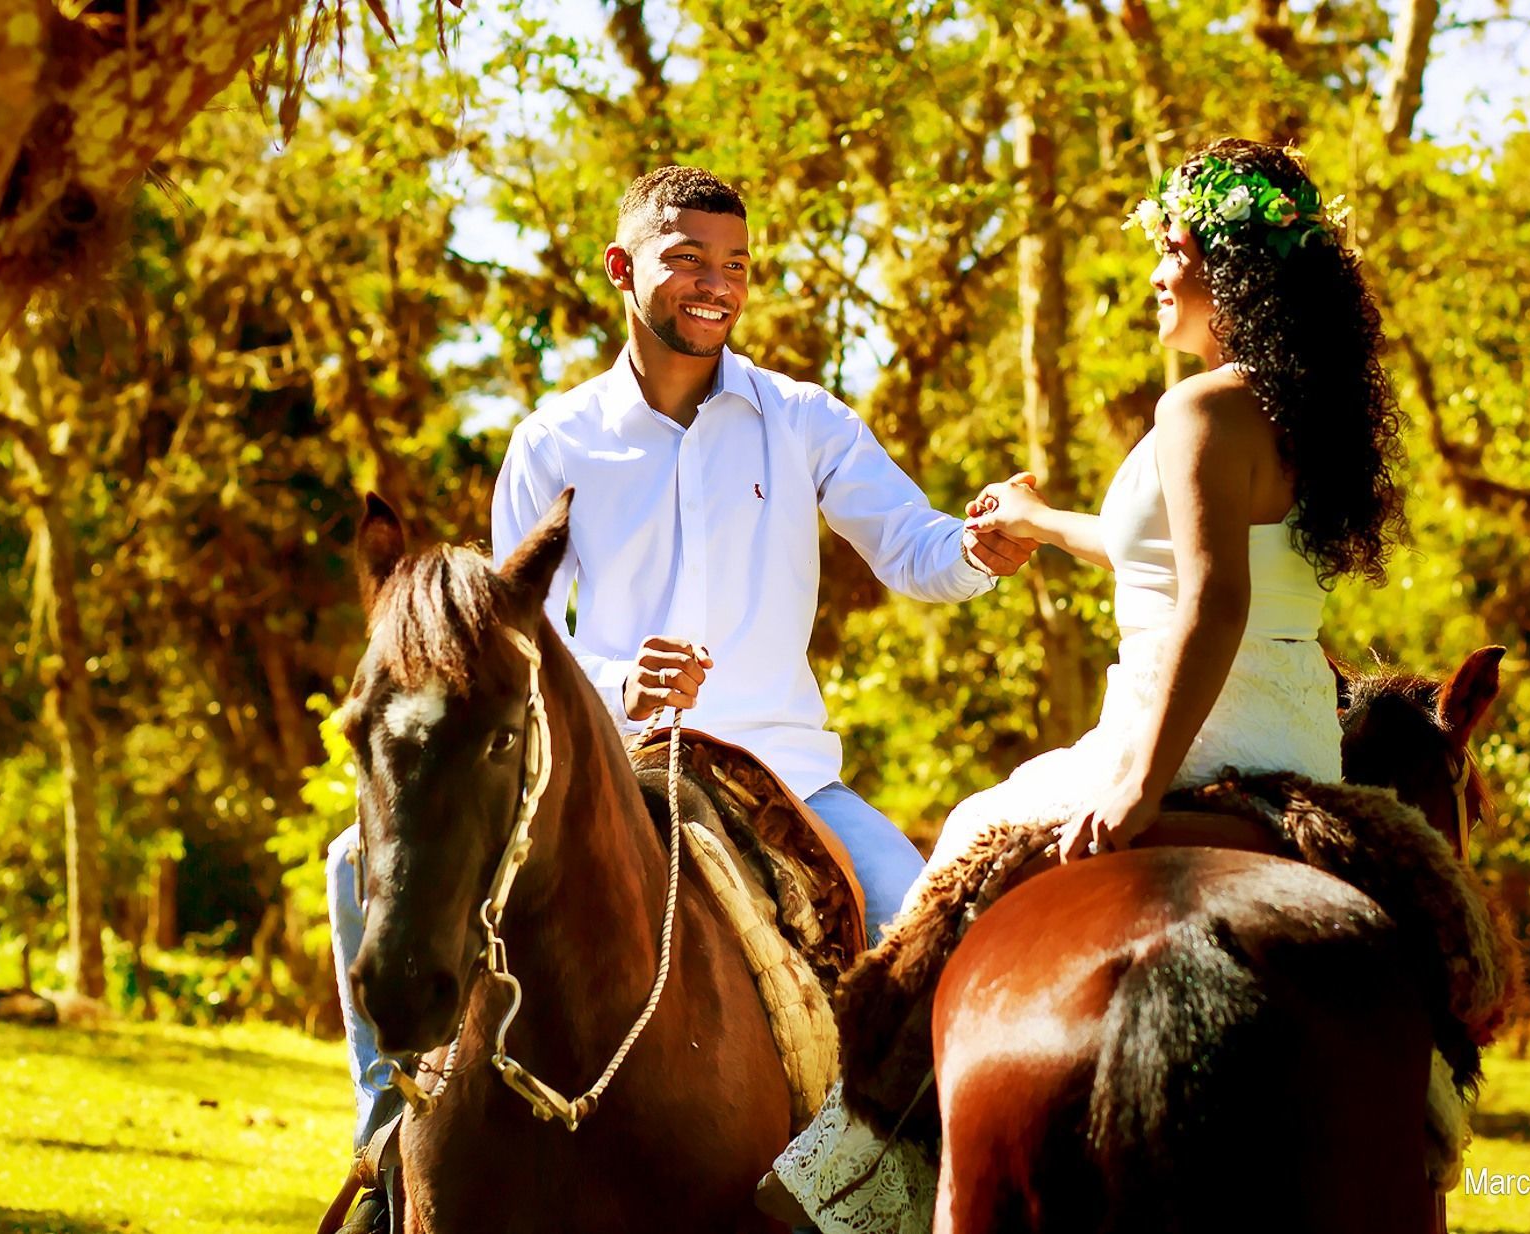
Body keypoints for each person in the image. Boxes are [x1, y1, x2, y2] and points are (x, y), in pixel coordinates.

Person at [324, 165, 1037, 1233]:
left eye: (736, 266)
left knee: (932, 946)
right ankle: (390, 1146)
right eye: (689, 260)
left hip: (785, 779)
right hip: (606, 769)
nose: (718, 285)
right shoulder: (554, 441)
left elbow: (916, 546)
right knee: (354, 864)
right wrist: (618, 681)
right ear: (623, 268)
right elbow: (517, 637)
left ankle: (891, 1208)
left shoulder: (801, 421)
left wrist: (981, 546)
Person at [769, 137, 1407, 1233]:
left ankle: (861, 1170)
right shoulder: (1299, 411)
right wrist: (1035, 522)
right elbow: (1159, 554)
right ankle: (1427, 1110)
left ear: (1236, 271)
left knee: (967, 836)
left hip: (1187, 729)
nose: (1159, 272)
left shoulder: (1197, 410)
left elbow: (1211, 604)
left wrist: (1140, 780)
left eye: (1179, 250)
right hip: (1301, 742)